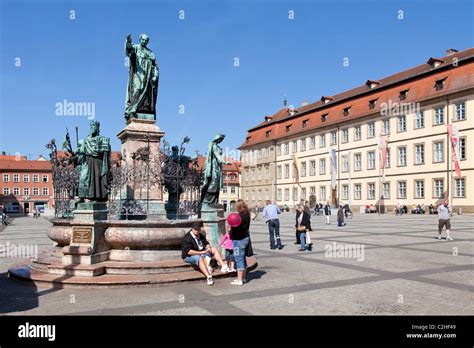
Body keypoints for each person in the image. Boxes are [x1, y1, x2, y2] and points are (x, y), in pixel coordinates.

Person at [181, 221, 230, 286]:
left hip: (202, 252)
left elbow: (206, 243)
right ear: (192, 229)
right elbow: (188, 252)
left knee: (214, 249)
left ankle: (224, 266)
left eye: (198, 229)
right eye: (195, 229)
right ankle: (208, 276)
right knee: (199, 258)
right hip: (189, 256)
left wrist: (208, 247)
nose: (197, 231)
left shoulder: (200, 235)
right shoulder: (187, 238)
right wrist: (201, 252)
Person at [230, 199, 253, 285]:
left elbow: (236, 227)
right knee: (242, 258)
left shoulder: (240, 215)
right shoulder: (247, 213)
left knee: (239, 259)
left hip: (239, 240)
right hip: (245, 238)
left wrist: (231, 227)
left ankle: (239, 280)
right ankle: (243, 278)